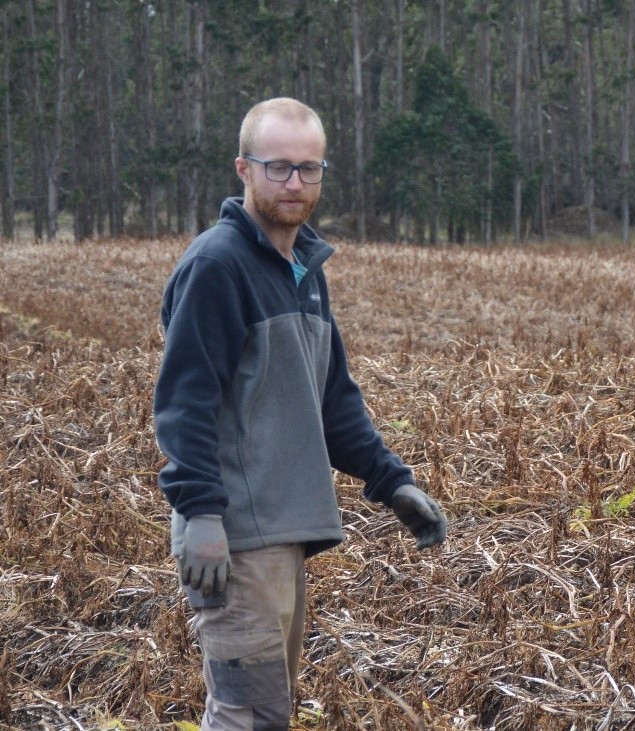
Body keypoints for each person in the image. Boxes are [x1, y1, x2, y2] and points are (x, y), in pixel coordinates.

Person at [154, 97, 449, 730]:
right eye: (279, 166)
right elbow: (185, 401)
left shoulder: (302, 270)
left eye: (308, 169)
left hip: (282, 533)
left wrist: (392, 482)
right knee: (248, 714)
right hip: (232, 539)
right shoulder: (218, 265)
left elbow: (332, 397)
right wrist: (202, 513)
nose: (294, 182)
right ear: (244, 169)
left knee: (266, 710)